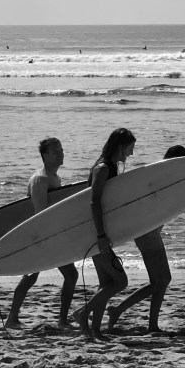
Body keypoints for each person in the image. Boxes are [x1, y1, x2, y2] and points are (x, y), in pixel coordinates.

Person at [107, 145, 185, 335]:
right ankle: (125, 314)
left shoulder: (165, 175)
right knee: (160, 280)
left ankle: (126, 313)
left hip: (151, 231)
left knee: (162, 280)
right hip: (147, 232)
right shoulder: (160, 175)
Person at [4, 137, 78, 331]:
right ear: (45, 155)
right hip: (40, 236)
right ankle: (14, 319)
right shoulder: (40, 179)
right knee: (34, 276)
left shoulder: (54, 177)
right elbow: (39, 213)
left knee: (62, 275)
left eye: (61, 150)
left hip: (50, 235)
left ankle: (60, 320)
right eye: (55, 151)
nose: (61, 154)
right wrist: (50, 238)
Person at [76, 128, 136, 341]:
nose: (131, 153)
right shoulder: (103, 168)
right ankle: (83, 313)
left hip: (98, 232)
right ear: (120, 146)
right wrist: (101, 235)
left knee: (106, 284)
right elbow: (94, 202)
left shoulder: (107, 166)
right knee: (120, 281)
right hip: (96, 234)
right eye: (130, 148)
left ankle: (96, 330)